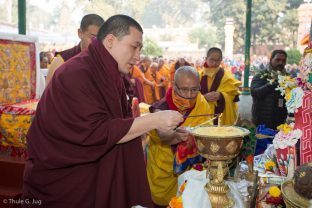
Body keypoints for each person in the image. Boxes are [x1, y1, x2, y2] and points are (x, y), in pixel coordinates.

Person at [22, 14, 184, 208]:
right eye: (134, 46)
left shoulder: (109, 72)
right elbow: (95, 132)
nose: (138, 57)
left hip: (97, 172)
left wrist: (159, 131)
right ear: (110, 41)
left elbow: (118, 123)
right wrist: (154, 121)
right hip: (67, 180)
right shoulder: (76, 73)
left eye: (140, 49)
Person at [146, 66, 212, 207]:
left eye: (194, 89)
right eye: (184, 89)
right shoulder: (161, 108)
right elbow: (162, 135)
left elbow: (207, 131)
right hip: (164, 167)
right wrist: (174, 135)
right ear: (174, 85)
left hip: (192, 167)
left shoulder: (202, 103)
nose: (189, 95)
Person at [45, 14, 105, 86]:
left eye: (100, 39)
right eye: (93, 38)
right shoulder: (61, 60)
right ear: (80, 33)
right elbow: (49, 91)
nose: (96, 43)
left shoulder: (103, 61)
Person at [200, 47, 241, 125]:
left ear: (221, 60)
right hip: (202, 115)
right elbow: (191, 96)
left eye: (217, 60)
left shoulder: (227, 76)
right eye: (212, 60)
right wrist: (204, 97)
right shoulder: (198, 75)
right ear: (206, 59)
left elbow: (234, 96)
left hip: (221, 116)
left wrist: (221, 95)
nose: (215, 63)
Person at [250, 49, 288, 129]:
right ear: (271, 60)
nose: (280, 63)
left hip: (279, 122)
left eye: (283, 60)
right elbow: (255, 93)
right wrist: (271, 84)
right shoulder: (260, 75)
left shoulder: (287, 77)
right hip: (261, 121)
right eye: (277, 60)